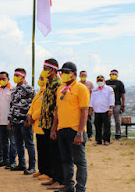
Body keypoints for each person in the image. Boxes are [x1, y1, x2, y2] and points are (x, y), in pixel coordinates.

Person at [51, 61, 90, 192]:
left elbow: (84, 111)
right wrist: (54, 128)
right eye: (62, 72)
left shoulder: (81, 88)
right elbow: (57, 110)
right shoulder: (60, 89)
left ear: (74, 74)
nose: (64, 75)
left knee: (80, 162)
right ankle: (68, 186)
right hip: (62, 130)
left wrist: (80, 132)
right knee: (66, 160)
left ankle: (80, 188)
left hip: (75, 130)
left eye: (67, 72)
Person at [38, 58, 64, 190]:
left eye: (45, 68)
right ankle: (54, 177)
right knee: (51, 152)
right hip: (46, 123)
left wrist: (54, 126)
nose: (43, 71)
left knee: (56, 153)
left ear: (52, 70)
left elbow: (57, 106)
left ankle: (60, 179)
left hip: (53, 124)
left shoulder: (57, 83)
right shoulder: (49, 83)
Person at [8, 68, 36, 175]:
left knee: (29, 144)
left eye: (17, 75)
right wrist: (10, 120)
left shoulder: (29, 89)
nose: (15, 77)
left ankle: (32, 166)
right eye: (14, 75)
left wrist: (28, 120)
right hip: (15, 121)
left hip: (24, 121)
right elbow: (12, 106)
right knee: (18, 144)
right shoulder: (14, 90)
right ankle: (21, 164)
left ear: (23, 77)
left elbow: (32, 106)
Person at [0, 71, 17, 168]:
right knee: (3, 141)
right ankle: (5, 160)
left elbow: (15, 106)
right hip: (0, 120)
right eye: (0, 79)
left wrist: (12, 119)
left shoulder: (12, 90)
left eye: (3, 79)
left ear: (8, 79)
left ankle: (12, 161)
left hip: (10, 120)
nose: (1, 80)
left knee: (12, 141)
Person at [27, 75, 48, 179]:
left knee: (45, 150)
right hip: (37, 125)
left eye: (42, 78)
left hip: (43, 124)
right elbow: (33, 105)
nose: (40, 80)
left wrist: (33, 117)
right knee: (40, 148)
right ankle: (41, 170)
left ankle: (47, 172)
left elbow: (42, 108)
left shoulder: (47, 92)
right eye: (39, 78)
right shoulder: (40, 91)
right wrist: (29, 114)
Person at [89, 75, 115, 145]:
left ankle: (106, 140)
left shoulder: (109, 89)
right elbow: (92, 100)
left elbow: (111, 99)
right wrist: (91, 109)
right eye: (98, 81)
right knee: (97, 125)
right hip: (97, 110)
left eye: (101, 80)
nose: (100, 82)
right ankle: (98, 140)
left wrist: (111, 109)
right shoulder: (94, 90)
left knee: (106, 126)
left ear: (104, 81)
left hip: (106, 110)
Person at [106, 69, 126, 141]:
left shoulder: (120, 83)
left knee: (117, 120)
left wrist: (123, 105)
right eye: (112, 74)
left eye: (115, 74)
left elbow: (123, 94)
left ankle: (118, 134)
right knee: (107, 120)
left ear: (117, 75)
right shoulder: (106, 82)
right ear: (110, 75)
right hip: (107, 104)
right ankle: (107, 134)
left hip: (117, 103)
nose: (113, 76)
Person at [79, 71, 94, 140]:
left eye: (84, 75)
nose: (83, 76)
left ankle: (90, 135)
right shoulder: (77, 84)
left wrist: (91, 106)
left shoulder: (90, 84)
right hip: (79, 104)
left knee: (88, 120)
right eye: (82, 75)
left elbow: (93, 95)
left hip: (87, 104)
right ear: (79, 76)